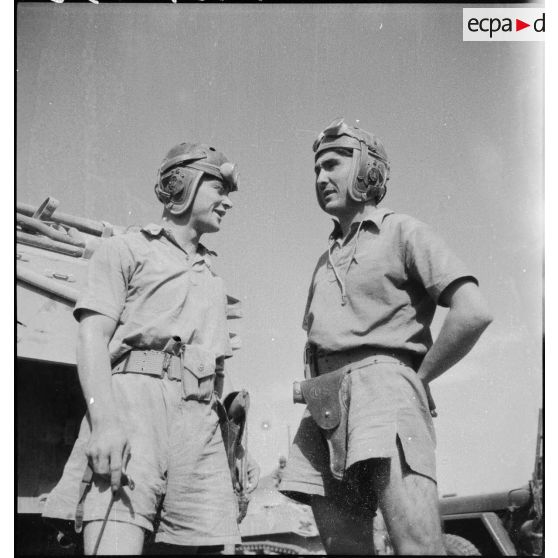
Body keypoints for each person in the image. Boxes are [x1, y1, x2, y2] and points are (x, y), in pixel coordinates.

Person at [279, 118, 493, 555]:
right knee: (345, 552)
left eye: (333, 165)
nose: (321, 178)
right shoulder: (324, 260)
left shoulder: (403, 231)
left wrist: (419, 378)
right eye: (316, 170)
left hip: (386, 393)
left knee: (417, 546)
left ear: (366, 171)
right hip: (324, 402)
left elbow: (473, 311)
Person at [42, 142, 259, 554]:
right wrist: (104, 422)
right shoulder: (125, 249)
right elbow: (92, 337)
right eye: (220, 189)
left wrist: (233, 452)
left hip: (199, 425)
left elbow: (217, 375)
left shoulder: (213, 279)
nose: (228, 203)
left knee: (206, 544)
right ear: (185, 183)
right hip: (134, 406)